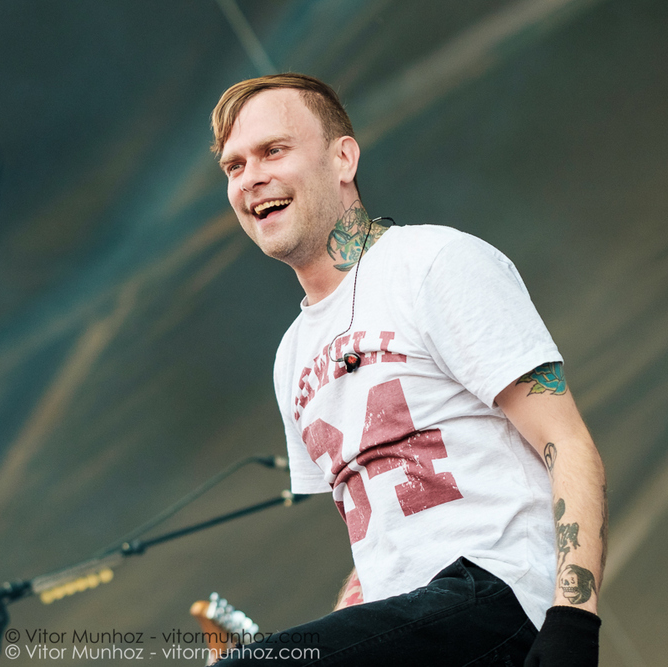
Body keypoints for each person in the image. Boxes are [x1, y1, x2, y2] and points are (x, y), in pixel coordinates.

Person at [210, 73, 606, 666]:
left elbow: (566, 441)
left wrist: (574, 621)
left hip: (495, 597)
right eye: (234, 166)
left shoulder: (434, 263)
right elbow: (381, 534)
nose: (252, 177)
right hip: (414, 622)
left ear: (343, 157)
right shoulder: (291, 355)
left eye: (273, 150)